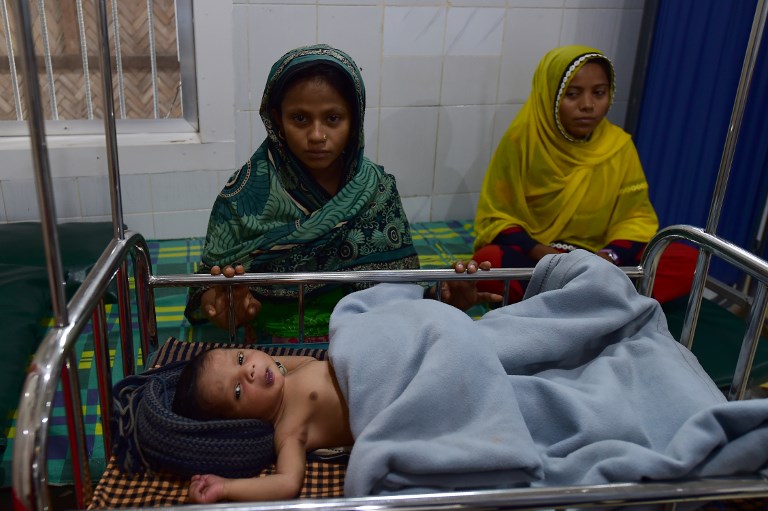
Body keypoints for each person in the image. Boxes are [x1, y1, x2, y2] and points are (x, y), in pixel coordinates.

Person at [185, 44, 498, 343]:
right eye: (300, 118)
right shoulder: (243, 195)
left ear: (355, 120)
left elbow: (402, 287)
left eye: (333, 119)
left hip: (371, 338)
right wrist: (225, 307)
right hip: (275, 350)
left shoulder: (377, 188)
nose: (317, 135)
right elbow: (208, 291)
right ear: (278, 119)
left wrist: (446, 297)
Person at [473, 44, 697, 304]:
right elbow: (497, 218)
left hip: (601, 257)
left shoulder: (618, 146)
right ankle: (603, 300)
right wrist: (548, 256)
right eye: (572, 94)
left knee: (686, 260)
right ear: (549, 96)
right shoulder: (521, 142)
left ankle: (567, 298)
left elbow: (635, 218)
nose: (588, 105)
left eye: (599, 93)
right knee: (486, 263)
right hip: (539, 257)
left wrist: (607, 257)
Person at [171, 347, 348, 503]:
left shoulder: (294, 368)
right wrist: (225, 487)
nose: (250, 370)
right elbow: (287, 482)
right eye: (237, 390)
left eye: (240, 359)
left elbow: (267, 358)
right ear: (241, 423)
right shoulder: (289, 430)